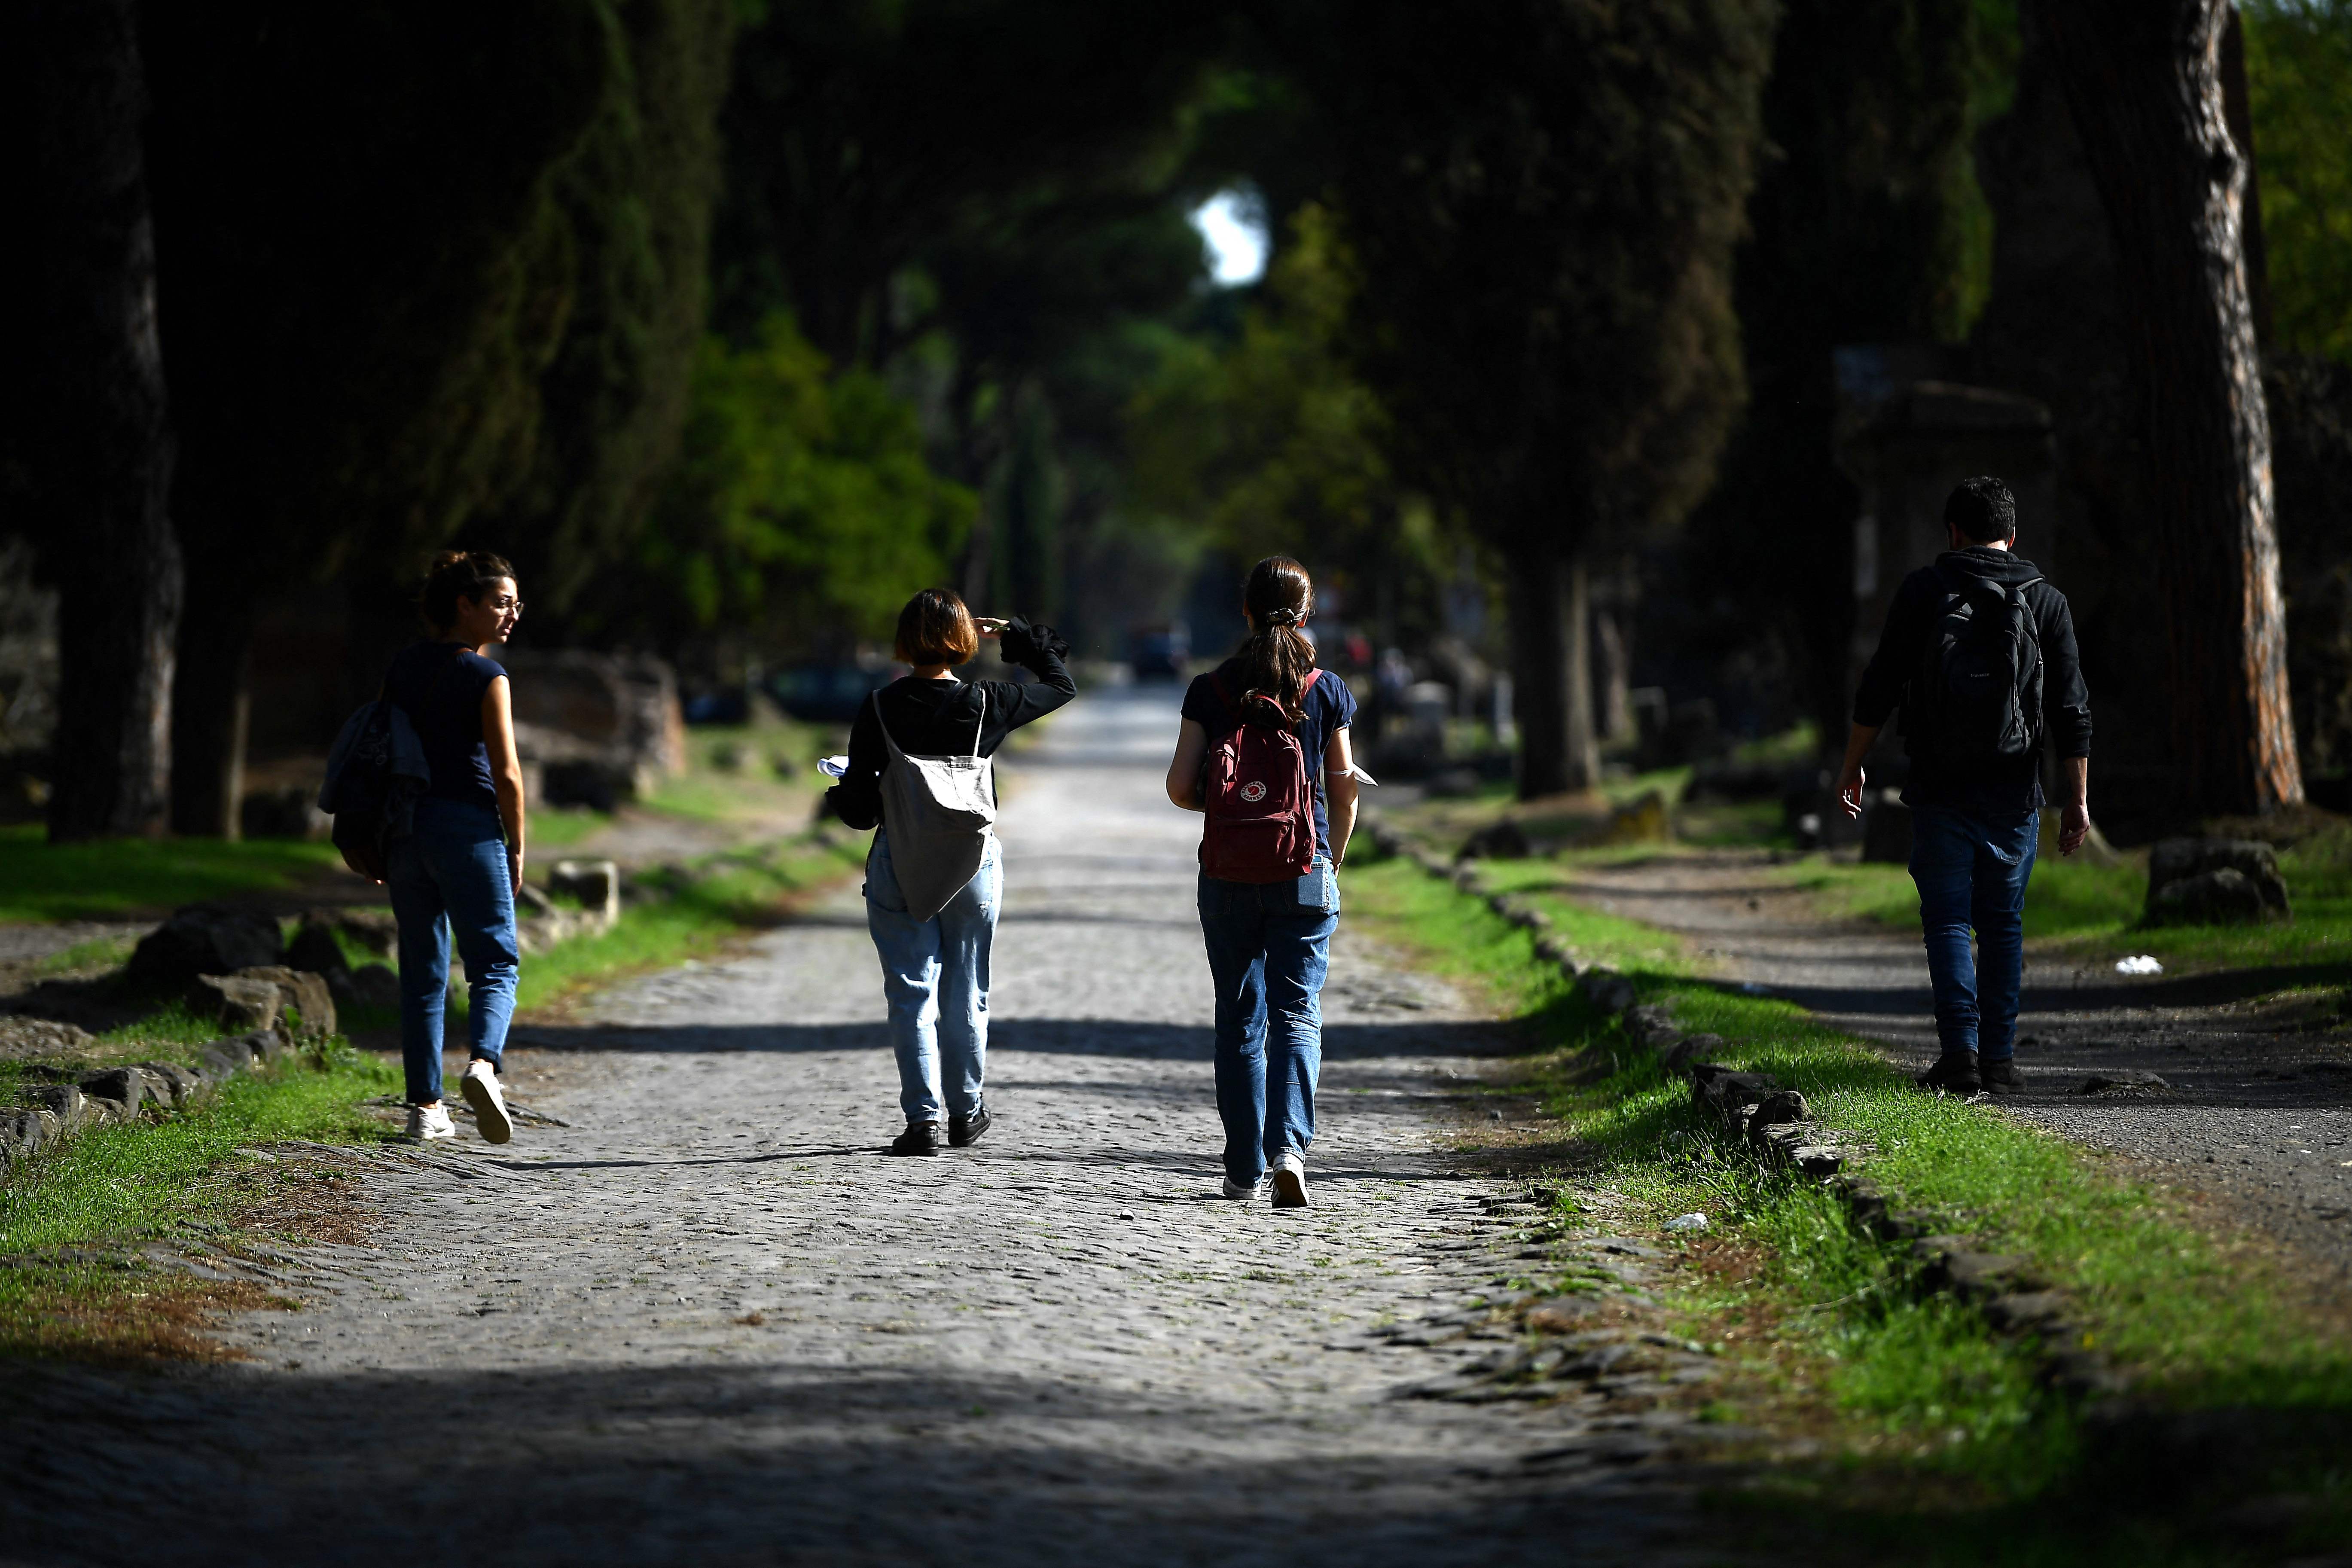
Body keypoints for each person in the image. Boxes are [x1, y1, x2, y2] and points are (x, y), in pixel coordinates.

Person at [1837, 477, 2093, 1096]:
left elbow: (1880, 684)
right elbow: (2071, 708)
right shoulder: (2046, 601)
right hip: (2015, 792)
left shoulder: (1925, 591)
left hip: (1940, 788)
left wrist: (1854, 765)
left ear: (1953, 532)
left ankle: (1960, 1059)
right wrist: (2077, 797)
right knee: (2003, 922)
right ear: (2012, 535)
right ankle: (2000, 1063)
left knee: (1949, 920)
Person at [829, 590, 1075, 1156]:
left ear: (904, 638)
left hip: (901, 859)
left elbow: (861, 806)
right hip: (972, 861)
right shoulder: (987, 702)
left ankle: (923, 1123)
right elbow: (1062, 685)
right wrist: (1017, 636)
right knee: (967, 989)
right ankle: (967, 1112)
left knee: (911, 992)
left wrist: (842, 789)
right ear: (965, 640)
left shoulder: (880, 706)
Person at [1165, 557, 1364, 1208]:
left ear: (1244, 611)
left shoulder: (1211, 689)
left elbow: (1178, 786)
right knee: (1297, 1011)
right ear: (1306, 615)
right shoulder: (1325, 690)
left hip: (1226, 874)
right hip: (1305, 868)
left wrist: (1234, 808)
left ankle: (1241, 1168)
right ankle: (1289, 1151)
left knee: (1239, 1017)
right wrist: (1330, 857)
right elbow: (1343, 788)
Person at [384, 550, 526, 1145]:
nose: (512, 614)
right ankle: (484, 1065)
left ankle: (424, 1108)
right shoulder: (487, 676)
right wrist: (516, 845)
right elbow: (507, 771)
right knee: (495, 961)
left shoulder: (402, 666)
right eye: (500, 602)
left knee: (422, 971)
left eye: (517, 603)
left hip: (405, 830)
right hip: (468, 829)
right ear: (464, 606)